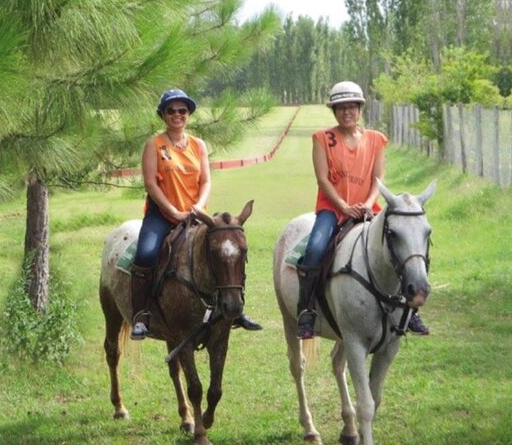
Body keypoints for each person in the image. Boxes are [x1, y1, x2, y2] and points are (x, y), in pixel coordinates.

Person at [295, 81, 428, 340]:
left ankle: (411, 309)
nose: (347, 112)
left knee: (401, 248)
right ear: (334, 111)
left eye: (352, 107)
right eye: (341, 107)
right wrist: (344, 206)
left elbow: (378, 178)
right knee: (314, 249)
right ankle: (306, 311)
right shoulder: (322, 139)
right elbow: (323, 179)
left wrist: (367, 204)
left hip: (369, 208)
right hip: (333, 209)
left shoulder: (376, 140)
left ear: (360, 109)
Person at [130, 88, 262, 340]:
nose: (177, 115)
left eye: (182, 110)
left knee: (226, 249)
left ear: (188, 114)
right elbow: (150, 184)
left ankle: (235, 310)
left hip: (195, 214)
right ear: (163, 115)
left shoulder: (198, 145)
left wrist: (198, 208)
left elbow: (206, 182)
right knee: (146, 253)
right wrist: (174, 212)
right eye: (171, 111)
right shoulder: (154, 145)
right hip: (162, 215)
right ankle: (141, 315)